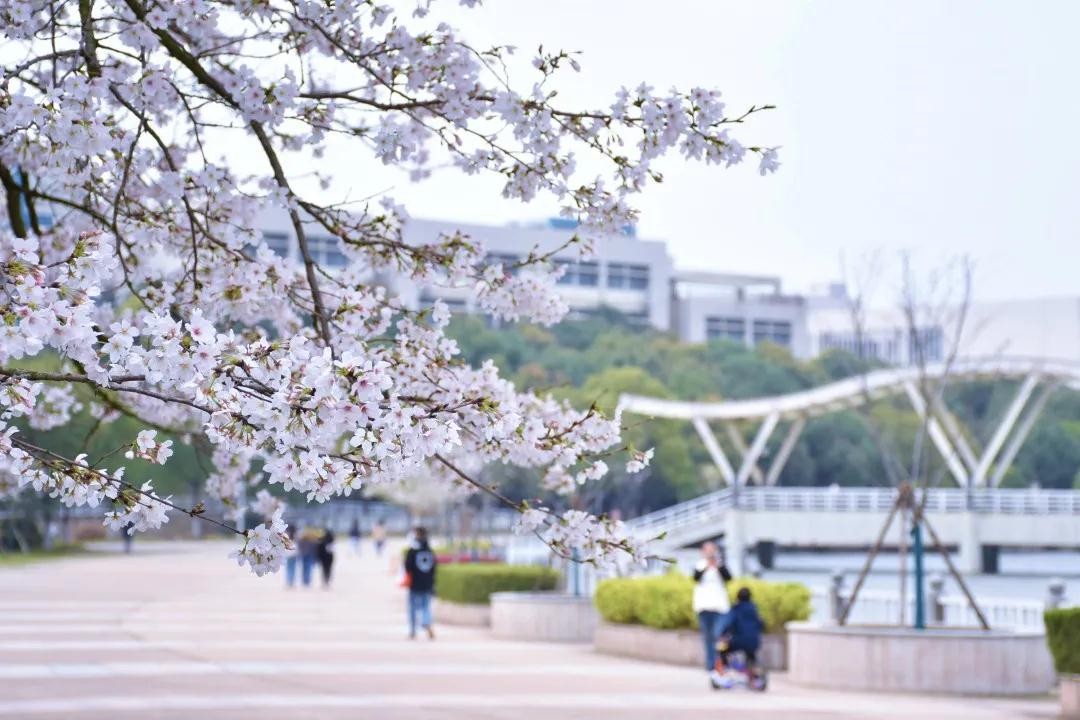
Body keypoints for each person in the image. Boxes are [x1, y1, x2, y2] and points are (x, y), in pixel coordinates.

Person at [692, 540, 732, 688]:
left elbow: (728, 578)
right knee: (708, 638)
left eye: (712, 550)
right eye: (707, 550)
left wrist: (718, 565)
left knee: (718, 636)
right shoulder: (699, 565)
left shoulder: (720, 565)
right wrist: (707, 566)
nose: (710, 553)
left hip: (720, 607)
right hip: (703, 607)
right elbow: (696, 578)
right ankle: (710, 665)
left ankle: (720, 663)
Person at [719, 586, 765, 670]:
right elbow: (761, 624)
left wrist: (722, 634)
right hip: (754, 642)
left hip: (738, 641)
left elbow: (728, 624)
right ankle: (753, 669)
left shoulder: (736, 609)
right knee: (750, 653)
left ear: (737, 597)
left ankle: (725, 669)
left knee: (722, 649)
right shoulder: (754, 609)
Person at [403, 526, 437, 639]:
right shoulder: (430, 551)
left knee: (412, 607)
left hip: (414, 584)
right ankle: (426, 622)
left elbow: (407, 567)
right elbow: (434, 569)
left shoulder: (412, 551)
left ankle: (413, 630)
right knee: (426, 606)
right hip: (427, 584)